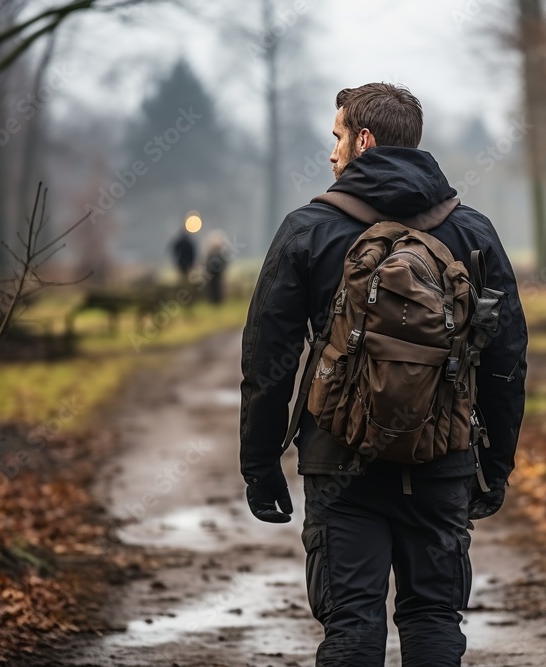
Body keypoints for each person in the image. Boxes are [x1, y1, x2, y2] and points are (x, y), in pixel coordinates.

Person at [239, 83, 528, 666]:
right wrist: (493, 465)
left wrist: (260, 465)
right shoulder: (471, 231)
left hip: (339, 458)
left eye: (337, 137)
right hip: (441, 455)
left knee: (350, 625)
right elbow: (506, 359)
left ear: (363, 141)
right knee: (433, 618)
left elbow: (268, 358)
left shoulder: (308, 229)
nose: (332, 153)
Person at [204, 230, 229, 305]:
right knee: (212, 287)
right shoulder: (212, 252)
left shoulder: (220, 252)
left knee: (218, 287)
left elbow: (224, 262)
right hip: (212, 273)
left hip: (218, 273)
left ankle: (218, 300)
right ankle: (213, 300)